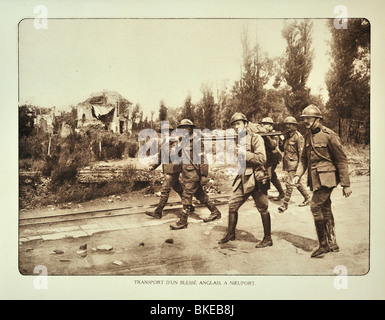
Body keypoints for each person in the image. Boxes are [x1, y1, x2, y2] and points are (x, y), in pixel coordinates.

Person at [293, 105, 352, 258]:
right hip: (315, 179)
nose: (305, 121)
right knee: (325, 208)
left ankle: (323, 245)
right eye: (304, 118)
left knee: (314, 206)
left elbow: (341, 159)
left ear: (317, 119)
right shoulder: (307, 136)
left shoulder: (329, 135)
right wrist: (297, 175)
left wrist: (346, 184)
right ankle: (332, 242)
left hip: (327, 178)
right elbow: (304, 160)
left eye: (308, 118)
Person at [218, 112, 273, 248]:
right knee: (232, 205)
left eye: (238, 124)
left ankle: (267, 238)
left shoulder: (256, 138)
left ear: (246, 124)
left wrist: (243, 153)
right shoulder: (238, 140)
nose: (236, 127)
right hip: (243, 177)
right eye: (234, 125)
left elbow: (262, 158)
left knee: (263, 208)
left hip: (256, 177)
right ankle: (231, 233)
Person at [170, 119, 222, 230]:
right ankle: (215, 212)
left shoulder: (196, 142)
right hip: (187, 173)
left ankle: (183, 221)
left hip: (194, 173)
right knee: (200, 195)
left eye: (186, 128)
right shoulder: (183, 141)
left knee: (186, 195)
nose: (183, 130)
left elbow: (203, 159)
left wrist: (204, 175)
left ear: (190, 129)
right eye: (181, 128)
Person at [145, 122, 186, 219]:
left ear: (170, 132)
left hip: (173, 170)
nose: (163, 134)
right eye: (162, 133)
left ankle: (158, 212)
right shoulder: (164, 143)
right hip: (168, 170)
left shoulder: (176, 143)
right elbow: (160, 158)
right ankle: (189, 205)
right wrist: (152, 166)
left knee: (165, 190)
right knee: (179, 189)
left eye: (165, 132)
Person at [277, 116, 311, 213]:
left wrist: (300, 168)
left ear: (294, 126)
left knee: (289, 183)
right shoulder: (286, 136)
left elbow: (302, 154)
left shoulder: (298, 137)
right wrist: (280, 142)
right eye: (286, 124)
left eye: (290, 124)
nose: (287, 126)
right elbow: (283, 149)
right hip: (288, 163)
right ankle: (307, 197)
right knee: (296, 182)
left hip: (295, 164)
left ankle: (285, 204)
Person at [260, 117, 285, 201]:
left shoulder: (274, 134)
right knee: (273, 176)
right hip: (266, 158)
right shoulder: (262, 133)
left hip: (272, 159)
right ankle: (281, 193)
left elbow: (273, 144)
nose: (263, 126)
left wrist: (266, 136)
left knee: (267, 177)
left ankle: (264, 197)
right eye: (263, 124)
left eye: (266, 124)